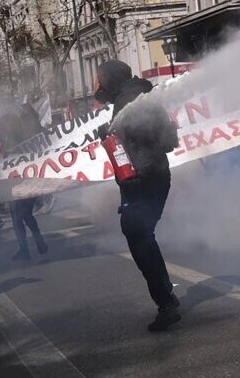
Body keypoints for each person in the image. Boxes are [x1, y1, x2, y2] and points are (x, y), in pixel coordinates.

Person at [95, 60, 181, 332]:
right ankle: (166, 296)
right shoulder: (142, 95)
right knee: (141, 235)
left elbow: (141, 138)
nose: (98, 85)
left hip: (142, 180)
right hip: (155, 175)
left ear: (111, 79)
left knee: (139, 237)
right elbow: (167, 140)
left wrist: (114, 133)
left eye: (101, 79)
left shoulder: (128, 101)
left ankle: (166, 302)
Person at [0, 113, 47, 261]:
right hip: (29, 181)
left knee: (18, 218)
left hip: (19, 183)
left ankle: (24, 249)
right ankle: (39, 242)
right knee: (26, 215)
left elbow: (11, 160)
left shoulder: (13, 140)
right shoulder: (26, 135)